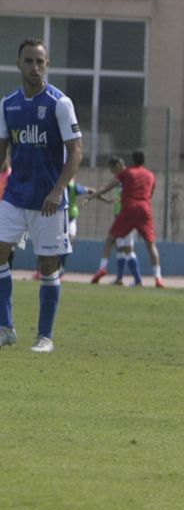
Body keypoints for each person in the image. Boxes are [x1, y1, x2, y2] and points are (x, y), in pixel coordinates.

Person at [0, 38, 83, 352]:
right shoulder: (8, 104)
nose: (34, 67)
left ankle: (45, 337)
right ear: (18, 64)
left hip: (49, 201)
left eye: (40, 61)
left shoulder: (60, 103)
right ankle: (6, 328)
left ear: (47, 64)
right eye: (29, 61)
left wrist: (58, 189)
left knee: (48, 266)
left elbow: (76, 152)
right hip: (15, 197)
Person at [88, 151, 165, 288]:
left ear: (132, 160)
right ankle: (158, 278)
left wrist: (92, 196)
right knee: (150, 244)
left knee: (111, 240)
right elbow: (150, 194)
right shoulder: (151, 175)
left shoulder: (126, 173)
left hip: (128, 209)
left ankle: (103, 268)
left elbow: (107, 187)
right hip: (144, 209)